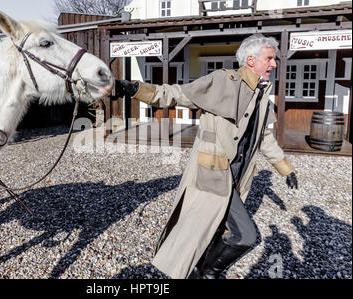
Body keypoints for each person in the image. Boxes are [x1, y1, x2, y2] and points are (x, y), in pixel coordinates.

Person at [114, 34, 299, 279]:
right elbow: (176, 94)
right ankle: (205, 273)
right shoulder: (223, 81)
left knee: (216, 229)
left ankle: (201, 269)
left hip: (238, 176)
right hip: (214, 175)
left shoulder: (262, 95)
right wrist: (135, 89)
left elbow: (264, 137)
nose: (274, 64)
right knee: (245, 235)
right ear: (251, 61)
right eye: (270, 59)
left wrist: (286, 169)